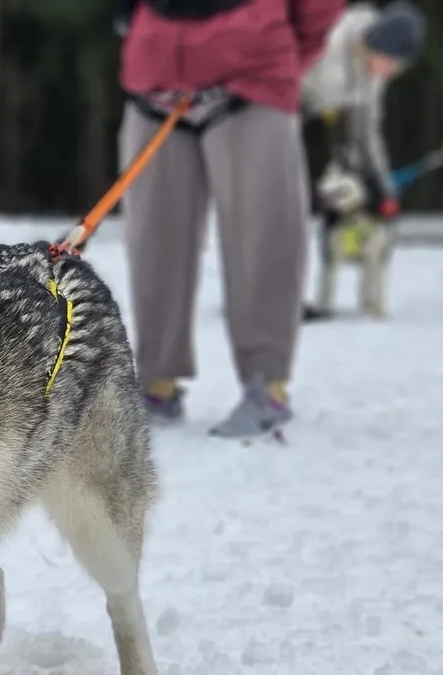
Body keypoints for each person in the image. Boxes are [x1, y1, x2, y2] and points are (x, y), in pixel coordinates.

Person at [117, 0, 344, 438]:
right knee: (154, 240)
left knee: (261, 233)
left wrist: (275, 55)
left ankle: (267, 385)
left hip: (251, 83)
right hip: (153, 80)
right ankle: (156, 383)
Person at [299, 1, 427, 320]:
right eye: (391, 63)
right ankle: (265, 297)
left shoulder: (373, 72)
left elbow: (367, 132)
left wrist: (383, 188)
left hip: (313, 113)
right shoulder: (331, 47)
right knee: (280, 200)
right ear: (375, 44)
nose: (391, 72)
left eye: (399, 67)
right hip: (278, 105)